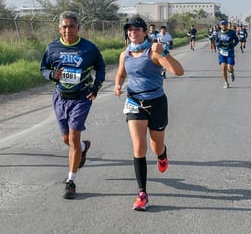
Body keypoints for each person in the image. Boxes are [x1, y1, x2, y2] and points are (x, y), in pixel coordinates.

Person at [114, 16, 184, 211]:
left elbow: (179, 71)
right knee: (139, 148)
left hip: (156, 102)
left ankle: (162, 154)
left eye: (137, 29)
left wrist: (164, 54)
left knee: (156, 146)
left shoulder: (152, 52)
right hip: (134, 102)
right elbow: (121, 73)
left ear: (145, 32)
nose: (132, 32)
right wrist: (118, 85)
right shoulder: (124, 54)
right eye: (129, 29)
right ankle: (142, 193)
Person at [40, 11, 106, 200]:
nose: (67, 30)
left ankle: (71, 181)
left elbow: (100, 67)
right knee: (66, 139)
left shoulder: (88, 48)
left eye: (71, 26)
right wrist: (52, 75)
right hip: (61, 97)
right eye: (64, 26)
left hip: (81, 97)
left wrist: (96, 85)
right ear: (59, 28)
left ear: (78, 28)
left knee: (74, 137)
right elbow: (43, 68)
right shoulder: (52, 47)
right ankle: (83, 149)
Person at [215, 20, 239, 89]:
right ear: (220, 26)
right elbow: (215, 42)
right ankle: (226, 83)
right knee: (223, 68)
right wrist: (217, 44)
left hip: (230, 52)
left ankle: (231, 72)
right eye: (222, 24)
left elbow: (237, 40)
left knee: (229, 68)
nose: (223, 26)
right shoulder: (218, 33)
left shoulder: (232, 32)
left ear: (226, 25)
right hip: (222, 52)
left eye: (224, 24)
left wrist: (233, 45)